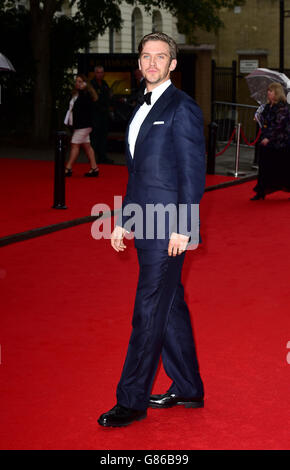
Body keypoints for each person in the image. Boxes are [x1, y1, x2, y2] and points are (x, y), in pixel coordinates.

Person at [98, 32, 206, 428]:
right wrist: (124, 221)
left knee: (147, 311)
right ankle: (189, 387)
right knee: (169, 306)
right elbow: (139, 174)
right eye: (146, 56)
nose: (153, 63)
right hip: (145, 223)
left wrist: (185, 228)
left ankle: (131, 399)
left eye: (161, 57)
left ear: (173, 65)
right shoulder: (138, 107)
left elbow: (192, 175)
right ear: (139, 62)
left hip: (169, 230)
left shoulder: (183, 109)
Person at [251, 82, 290, 200]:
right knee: (264, 167)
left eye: (271, 91)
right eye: (268, 90)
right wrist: (258, 117)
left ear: (277, 93)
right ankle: (261, 191)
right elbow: (265, 122)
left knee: (282, 168)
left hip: (280, 144)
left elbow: (279, 125)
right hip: (266, 142)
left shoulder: (283, 107)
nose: (268, 93)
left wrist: (269, 137)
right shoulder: (267, 107)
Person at [65, 74, 99, 177]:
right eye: (76, 81)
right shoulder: (76, 94)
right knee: (87, 146)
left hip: (84, 125)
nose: (77, 83)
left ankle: (68, 168)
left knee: (75, 145)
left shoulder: (87, 94)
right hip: (80, 125)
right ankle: (94, 168)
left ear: (85, 83)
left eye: (80, 81)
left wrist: (84, 89)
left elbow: (86, 107)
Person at [90, 65, 114, 164]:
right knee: (94, 138)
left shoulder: (104, 84)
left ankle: (102, 157)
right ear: (95, 73)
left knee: (103, 137)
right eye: (98, 72)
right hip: (95, 115)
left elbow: (107, 98)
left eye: (101, 72)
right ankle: (92, 158)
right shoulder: (91, 84)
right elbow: (92, 101)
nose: (100, 74)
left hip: (104, 115)